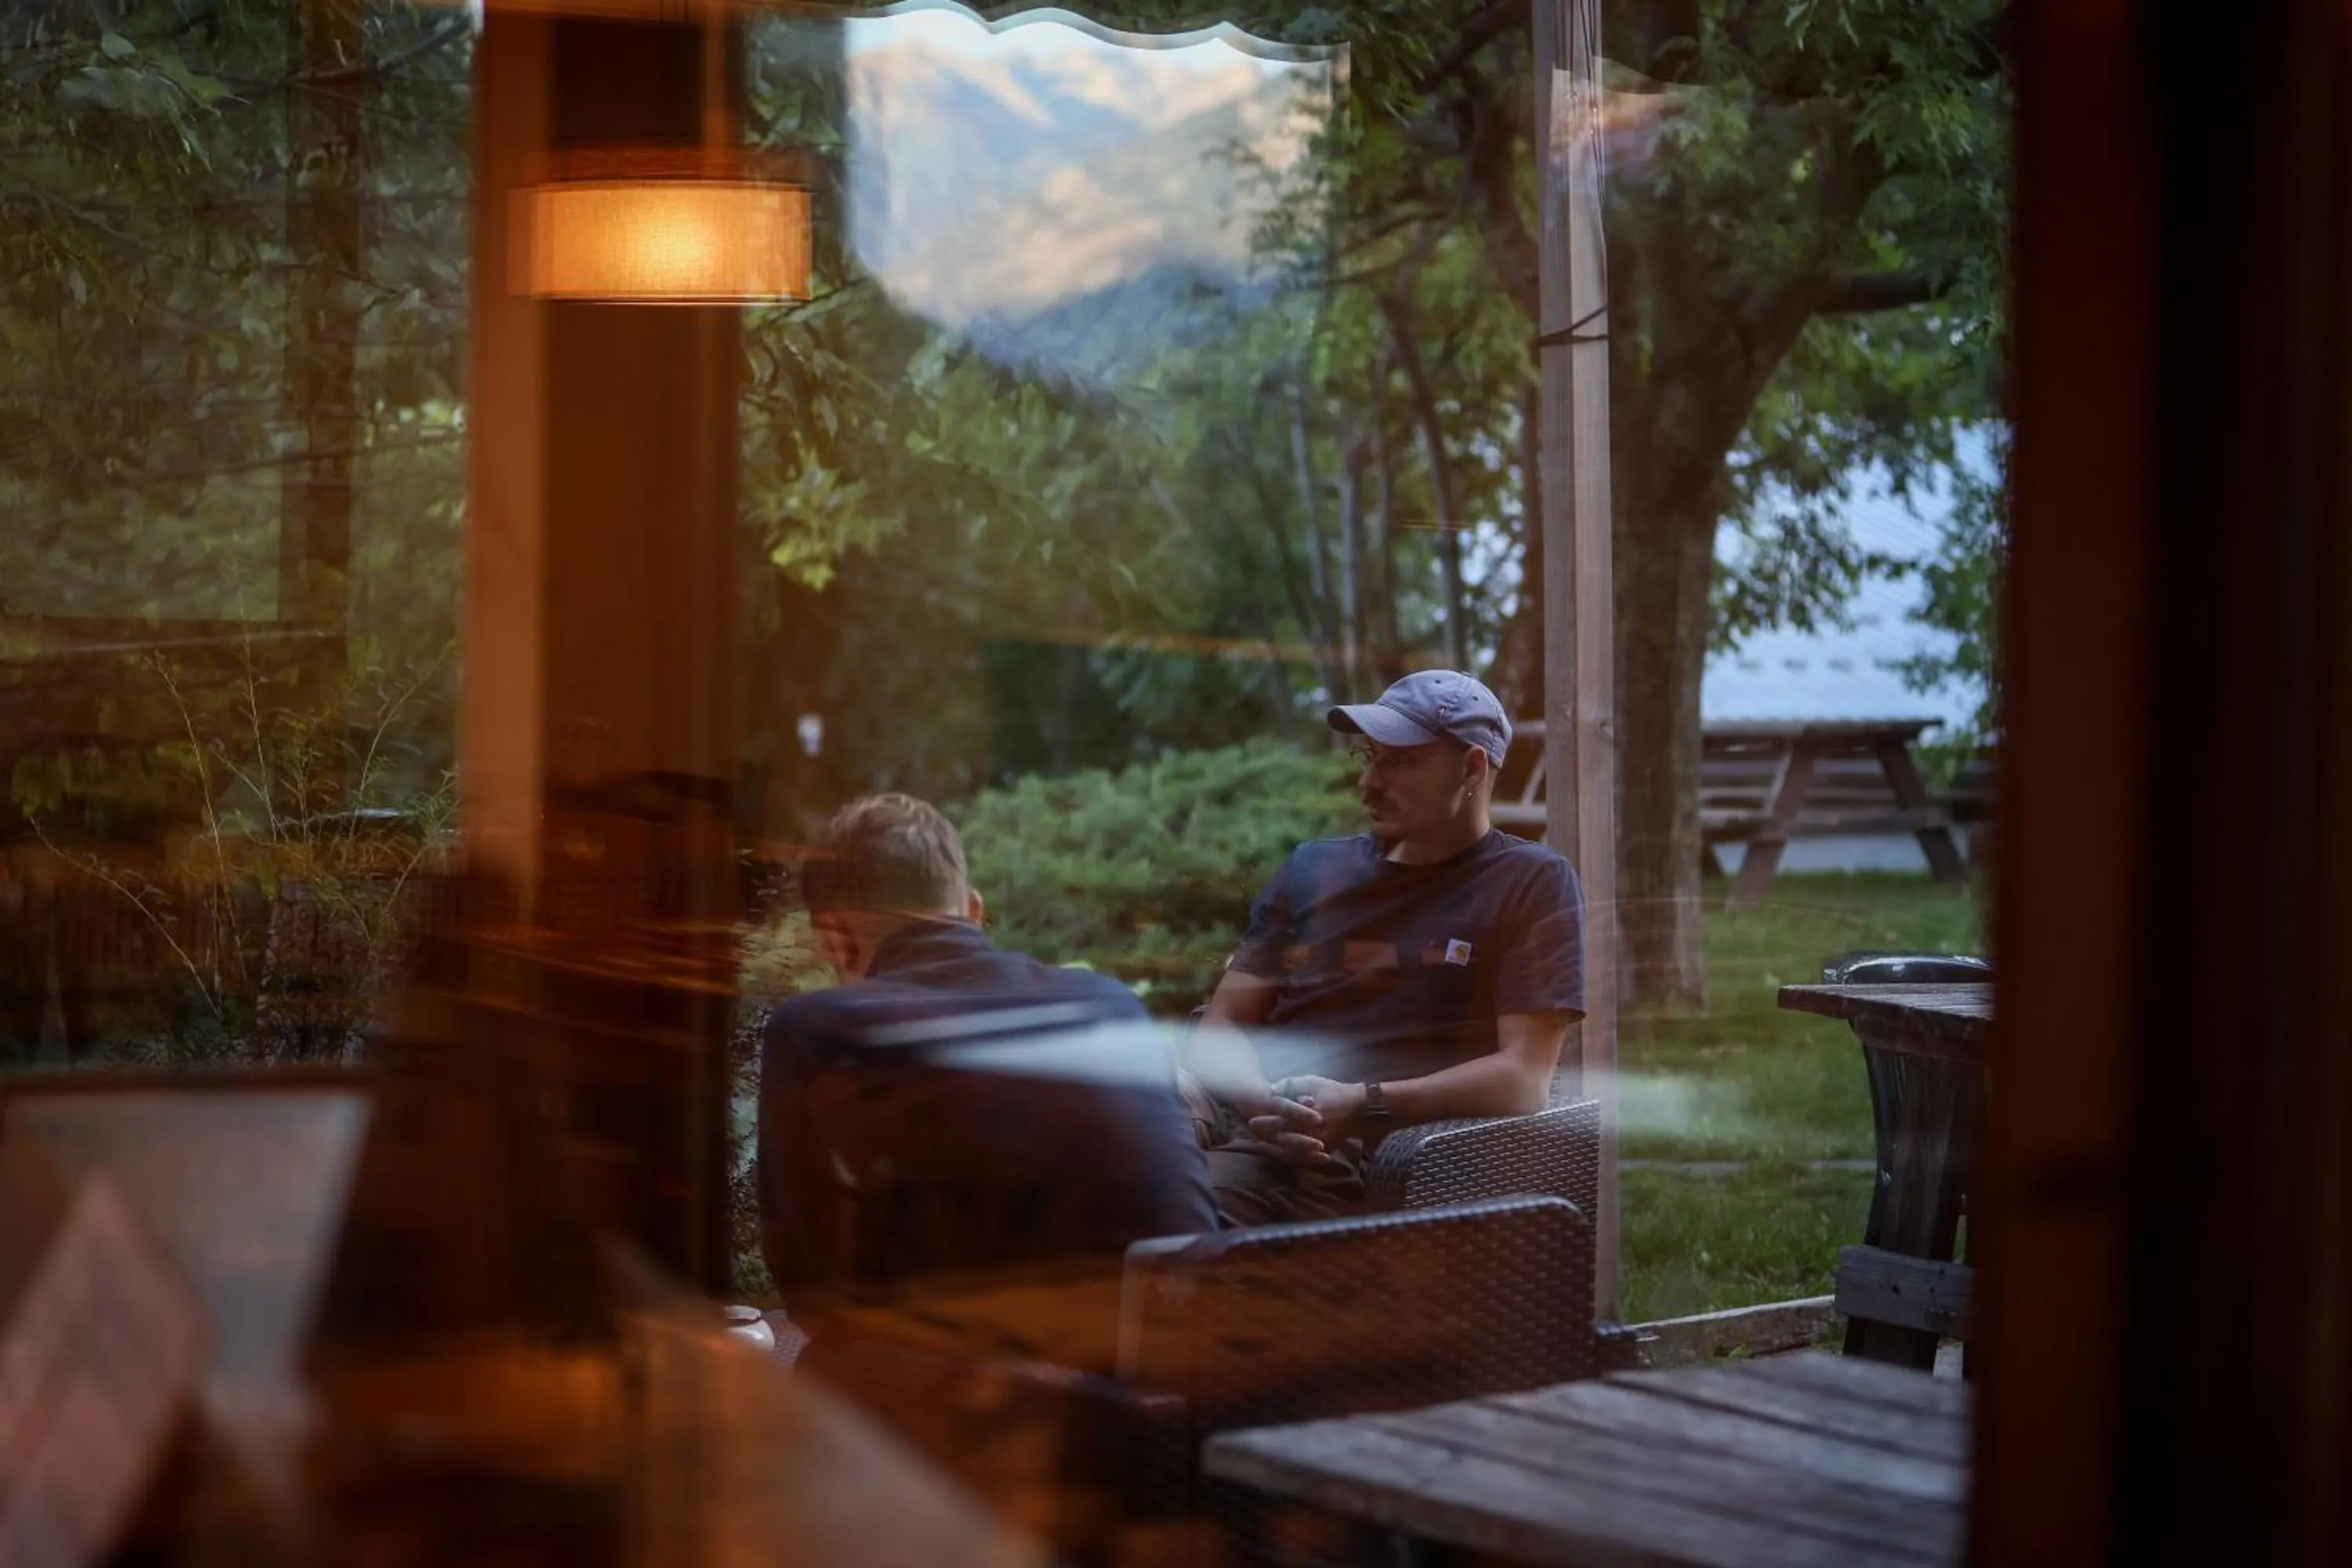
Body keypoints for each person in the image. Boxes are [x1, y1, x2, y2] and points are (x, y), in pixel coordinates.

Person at [757, 792, 1214, 1370]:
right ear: (972, 911)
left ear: (834, 938)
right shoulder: (1110, 1003)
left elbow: (814, 1294)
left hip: (1000, 1399)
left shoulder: (814, 1031)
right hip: (1184, 1379)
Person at [1181, 670, 1588, 1225]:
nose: (1369, 782)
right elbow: (1224, 1021)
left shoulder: (1528, 883)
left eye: (1400, 762)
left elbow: (1523, 1079)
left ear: (1472, 768)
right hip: (1239, 1099)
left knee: (1159, 1209)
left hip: (1337, 1145)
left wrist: (1362, 1103)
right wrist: (1257, 1100)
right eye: (1369, 757)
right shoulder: (1313, 867)